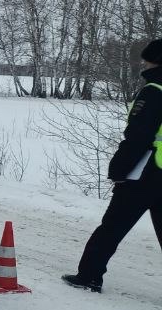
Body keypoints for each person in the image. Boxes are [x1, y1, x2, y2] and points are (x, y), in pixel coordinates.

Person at [63, 38, 162, 293]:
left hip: (145, 173)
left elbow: (139, 136)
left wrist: (118, 170)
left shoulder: (153, 90)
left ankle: (89, 277)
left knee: (112, 227)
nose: (143, 62)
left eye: (146, 58)